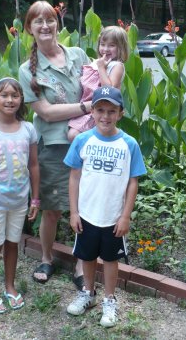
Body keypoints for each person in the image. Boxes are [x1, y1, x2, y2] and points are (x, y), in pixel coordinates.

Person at [19, 0, 91, 288]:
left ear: (57, 23)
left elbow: (95, 85)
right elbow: (46, 112)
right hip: (53, 148)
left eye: (50, 19)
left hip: (86, 143)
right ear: (29, 29)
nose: (45, 26)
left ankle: (80, 264)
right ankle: (47, 258)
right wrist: (87, 108)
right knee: (52, 210)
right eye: (38, 21)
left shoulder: (78, 54)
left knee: (85, 207)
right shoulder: (28, 71)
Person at [64, 86, 146, 328]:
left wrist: (125, 216)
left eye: (112, 111)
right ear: (92, 110)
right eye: (100, 110)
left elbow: (133, 182)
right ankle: (87, 294)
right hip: (87, 215)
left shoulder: (129, 144)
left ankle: (109, 300)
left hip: (113, 217)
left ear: (121, 113)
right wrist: (74, 211)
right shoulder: (82, 140)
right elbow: (74, 177)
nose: (106, 116)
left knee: (110, 260)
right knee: (87, 257)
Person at [0, 77, 40, 314]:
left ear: (21, 99)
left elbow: (33, 165)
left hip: (19, 201)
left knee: (12, 244)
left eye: (14, 95)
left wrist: (35, 199)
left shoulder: (28, 129)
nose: (9, 100)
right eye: (4, 95)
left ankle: (10, 286)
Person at [68, 25, 129, 141]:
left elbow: (108, 90)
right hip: (85, 107)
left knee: (73, 135)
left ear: (121, 48)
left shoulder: (117, 66)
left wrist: (101, 68)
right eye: (102, 44)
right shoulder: (97, 62)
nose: (105, 49)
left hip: (100, 109)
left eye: (111, 45)